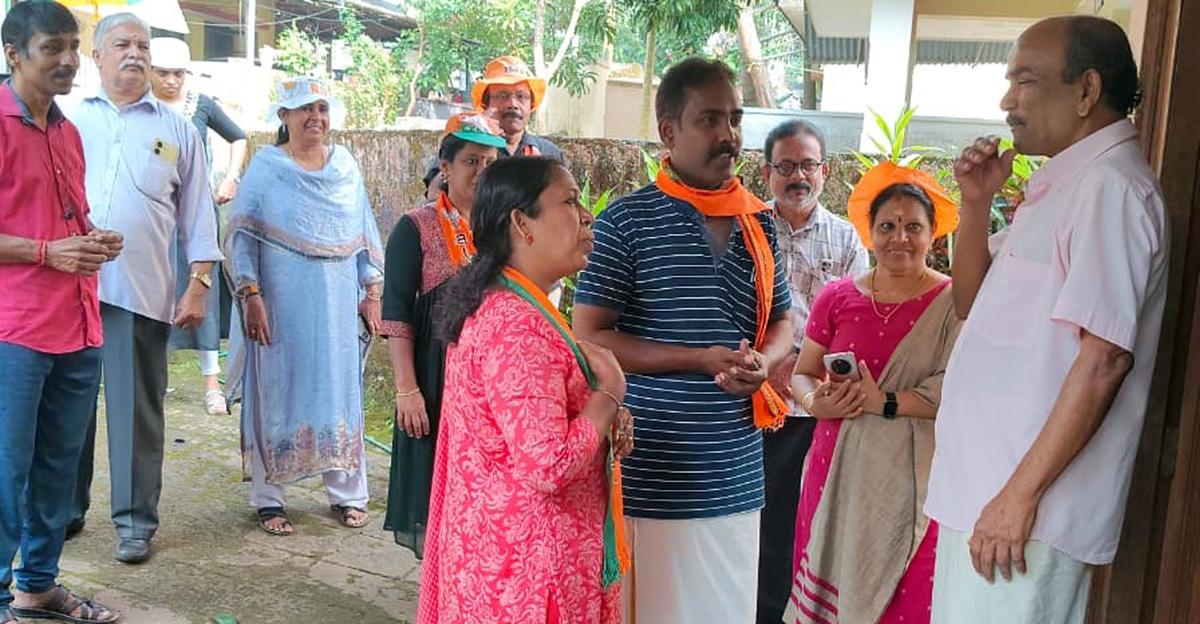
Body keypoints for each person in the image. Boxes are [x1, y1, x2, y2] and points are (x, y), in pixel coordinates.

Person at [923, 16, 1168, 624]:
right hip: (990, 503)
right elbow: (970, 307)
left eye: (1025, 81)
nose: (1008, 101)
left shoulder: (1111, 190)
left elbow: (1104, 359)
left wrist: (1017, 497)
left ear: (1086, 91)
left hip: (1022, 517)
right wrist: (975, 204)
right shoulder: (1065, 185)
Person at [573, 57, 794, 624]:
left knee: (724, 609)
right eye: (710, 120)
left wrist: (763, 364)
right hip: (652, 469)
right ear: (669, 132)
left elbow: (783, 323)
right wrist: (695, 359)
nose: (729, 136)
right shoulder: (627, 220)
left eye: (735, 119)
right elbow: (589, 334)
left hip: (736, 470)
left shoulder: (759, 222)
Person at [417, 156, 633, 624]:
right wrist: (609, 394)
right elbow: (548, 465)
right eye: (571, 202)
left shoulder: (512, 306)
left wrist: (604, 417)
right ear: (521, 222)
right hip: (532, 576)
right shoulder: (516, 327)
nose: (587, 216)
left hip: (505, 557)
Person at [69, 12, 221, 565]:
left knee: (136, 412)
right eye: (121, 44)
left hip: (139, 290)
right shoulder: (65, 116)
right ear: (97, 57)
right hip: (66, 289)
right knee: (67, 406)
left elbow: (200, 215)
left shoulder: (177, 128)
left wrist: (199, 284)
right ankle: (65, 508)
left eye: (142, 46)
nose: (134, 54)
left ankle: (135, 522)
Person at [783, 162, 960, 624]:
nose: (899, 237)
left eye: (913, 227)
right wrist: (812, 401)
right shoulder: (838, 297)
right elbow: (801, 373)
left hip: (914, 476)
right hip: (834, 466)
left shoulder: (953, 303)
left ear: (933, 235)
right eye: (887, 225)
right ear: (869, 232)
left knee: (907, 593)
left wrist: (882, 401)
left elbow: (953, 392)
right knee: (830, 573)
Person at [0, 3, 123, 622]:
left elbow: (65, 219)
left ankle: (38, 586)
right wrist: (49, 252)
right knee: (5, 470)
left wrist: (94, 238)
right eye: (53, 47)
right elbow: (41, 240)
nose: (69, 60)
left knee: (58, 469)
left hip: (78, 324)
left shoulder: (67, 131)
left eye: (73, 46)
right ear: (14, 54)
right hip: (14, 330)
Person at [224, 77, 384, 537]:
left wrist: (371, 292)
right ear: (284, 117)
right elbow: (241, 236)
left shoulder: (346, 167)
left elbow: (364, 234)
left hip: (336, 304)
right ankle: (268, 499)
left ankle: (348, 495)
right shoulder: (266, 168)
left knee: (341, 393)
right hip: (279, 304)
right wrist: (250, 295)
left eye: (322, 108)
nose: (316, 117)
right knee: (275, 391)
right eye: (304, 109)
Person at [756, 119, 869, 623]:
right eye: (785, 166)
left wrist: (810, 375)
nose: (796, 176)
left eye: (806, 165)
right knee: (755, 524)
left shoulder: (847, 240)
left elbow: (858, 323)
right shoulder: (748, 231)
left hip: (816, 411)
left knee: (800, 525)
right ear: (767, 173)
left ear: (824, 171)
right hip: (754, 405)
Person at [382, 111, 505, 557]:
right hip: (435, 379)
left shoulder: (509, 226)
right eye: (472, 161)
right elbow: (395, 314)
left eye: (491, 163)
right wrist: (406, 389)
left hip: (491, 379)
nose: (481, 172)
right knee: (437, 488)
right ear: (446, 166)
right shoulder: (415, 227)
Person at [149, 36, 248, 415]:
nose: (172, 81)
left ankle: (211, 383)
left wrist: (230, 177)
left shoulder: (199, 105)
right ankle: (156, 378)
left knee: (200, 287)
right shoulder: (142, 109)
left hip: (197, 211)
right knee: (156, 292)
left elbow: (238, 136)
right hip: (155, 217)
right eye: (164, 73)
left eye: (178, 73)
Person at [473, 55, 564, 160]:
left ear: (531, 104)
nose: (512, 104)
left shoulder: (550, 155)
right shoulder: (471, 152)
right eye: (503, 96)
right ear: (486, 104)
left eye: (521, 96)